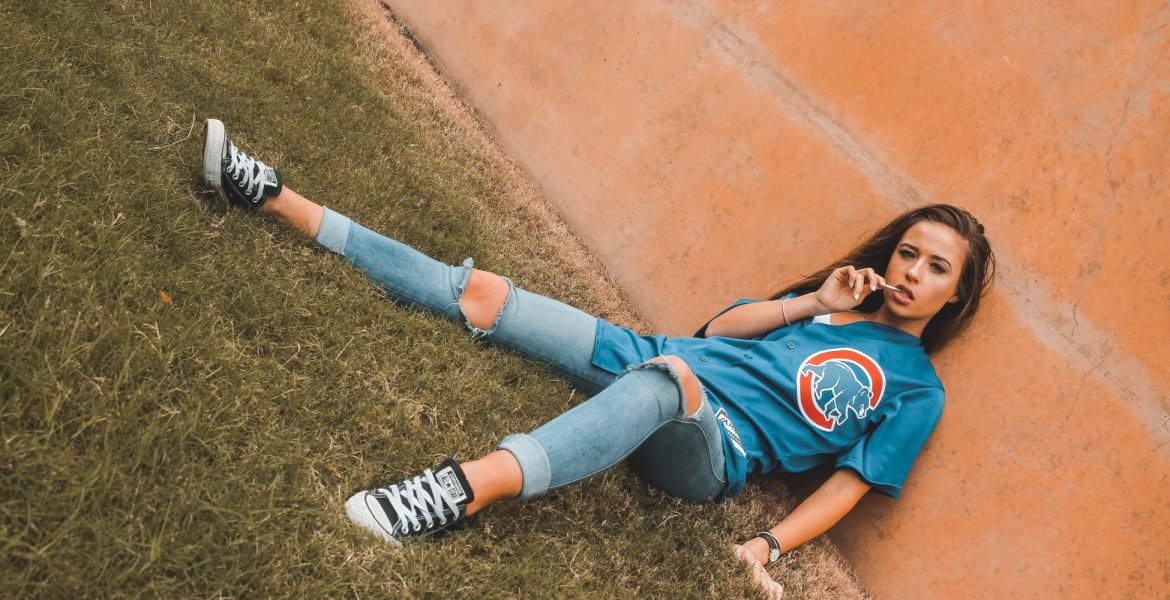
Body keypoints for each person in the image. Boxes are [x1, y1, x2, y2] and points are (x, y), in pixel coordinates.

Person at [201, 118, 995, 597]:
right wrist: (813, 301)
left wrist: (766, 545)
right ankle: (273, 196)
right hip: (651, 356)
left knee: (666, 383)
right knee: (483, 293)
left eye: (935, 268)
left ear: (954, 294)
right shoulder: (837, 304)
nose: (910, 273)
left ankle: (457, 492)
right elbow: (719, 332)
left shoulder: (917, 389)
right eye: (908, 252)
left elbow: (852, 484)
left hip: (710, 450)